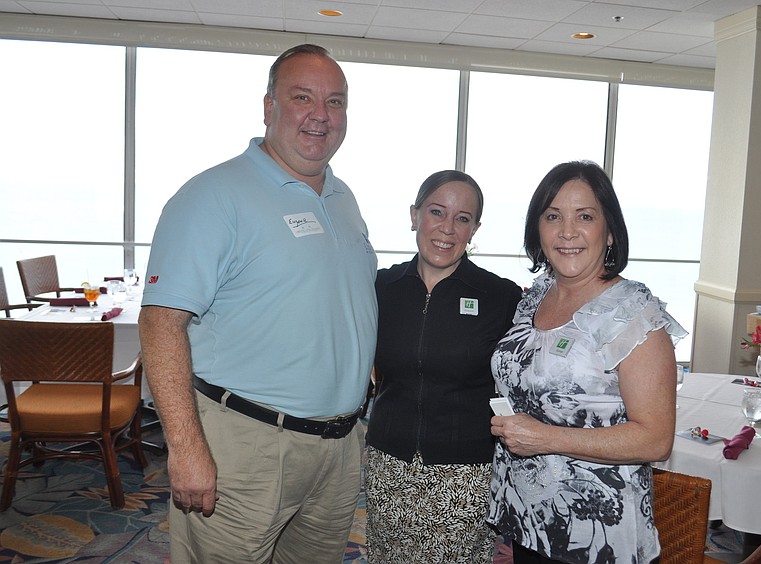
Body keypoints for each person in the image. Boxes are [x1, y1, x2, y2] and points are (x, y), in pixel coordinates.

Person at [138, 44, 377, 564]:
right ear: (268, 107)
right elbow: (160, 324)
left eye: (334, 102)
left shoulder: (344, 198)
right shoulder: (213, 195)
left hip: (336, 449)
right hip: (245, 446)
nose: (320, 114)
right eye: (302, 97)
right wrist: (185, 446)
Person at [488, 161, 687, 564]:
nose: (567, 231)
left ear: (609, 231)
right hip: (531, 521)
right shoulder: (536, 297)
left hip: (598, 534)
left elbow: (655, 439)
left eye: (585, 216)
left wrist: (546, 439)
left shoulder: (632, 314)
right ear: (537, 229)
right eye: (552, 216)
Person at [365, 170, 522, 563]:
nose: (447, 228)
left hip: (465, 474)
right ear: (415, 214)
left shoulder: (501, 297)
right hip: (388, 464)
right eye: (437, 212)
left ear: (475, 229)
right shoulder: (380, 287)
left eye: (463, 218)